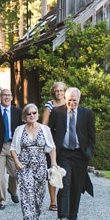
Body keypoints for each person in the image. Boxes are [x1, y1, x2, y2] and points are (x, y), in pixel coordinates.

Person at [51, 87, 96, 220]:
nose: (72, 103)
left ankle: (73, 216)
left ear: (79, 100)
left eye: (74, 101)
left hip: (79, 154)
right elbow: (50, 131)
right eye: (69, 100)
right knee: (65, 182)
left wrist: (88, 152)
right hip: (63, 152)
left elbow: (91, 136)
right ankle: (63, 215)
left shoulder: (87, 113)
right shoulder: (57, 112)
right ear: (65, 99)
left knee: (77, 185)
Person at [11, 104, 57, 220]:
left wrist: (53, 163)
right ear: (25, 116)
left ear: (37, 114)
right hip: (24, 165)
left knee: (38, 195)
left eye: (34, 113)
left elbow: (52, 148)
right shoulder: (19, 130)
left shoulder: (45, 129)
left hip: (41, 166)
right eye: (29, 113)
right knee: (26, 192)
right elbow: (13, 149)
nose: (32, 115)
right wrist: (16, 161)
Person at [0, 89, 22, 210]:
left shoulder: (18, 112)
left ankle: (12, 190)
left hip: (13, 147)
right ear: (0, 97)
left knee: (16, 173)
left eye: (8, 95)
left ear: (12, 97)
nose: (6, 97)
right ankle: (1, 200)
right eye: (4, 95)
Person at [40, 81, 67, 212]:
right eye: (57, 91)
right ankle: (53, 201)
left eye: (61, 90)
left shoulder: (69, 103)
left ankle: (64, 199)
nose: (59, 93)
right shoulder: (49, 105)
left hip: (66, 140)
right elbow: (44, 125)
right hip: (53, 140)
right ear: (53, 92)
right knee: (53, 170)